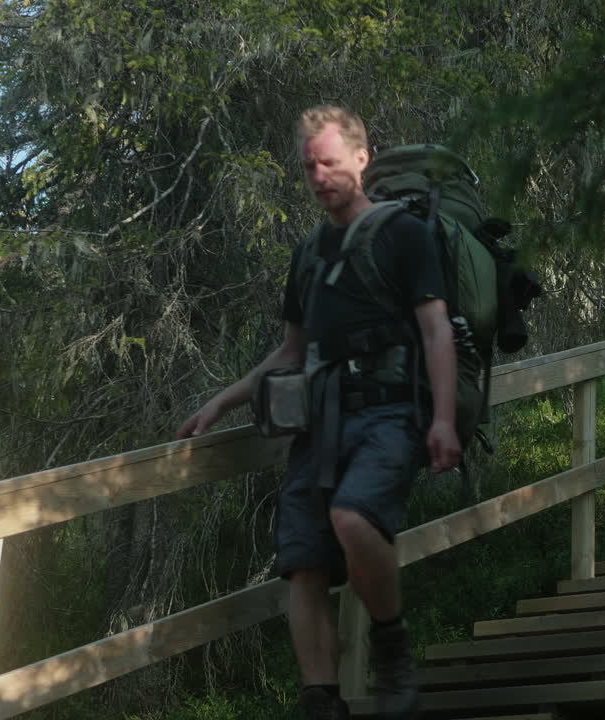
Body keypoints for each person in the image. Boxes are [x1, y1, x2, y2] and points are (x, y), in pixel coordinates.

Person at [176, 104, 461, 720]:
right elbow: (290, 351)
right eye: (309, 166)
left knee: (354, 520)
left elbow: (436, 331)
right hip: (321, 422)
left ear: (362, 159)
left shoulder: (404, 235)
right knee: (302, 561)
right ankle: (322, 702)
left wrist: (442, 419)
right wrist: (220, 403)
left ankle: (393, 653)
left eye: (329, 163)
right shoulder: (308, 253)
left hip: (390, 412)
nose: (318, 176)